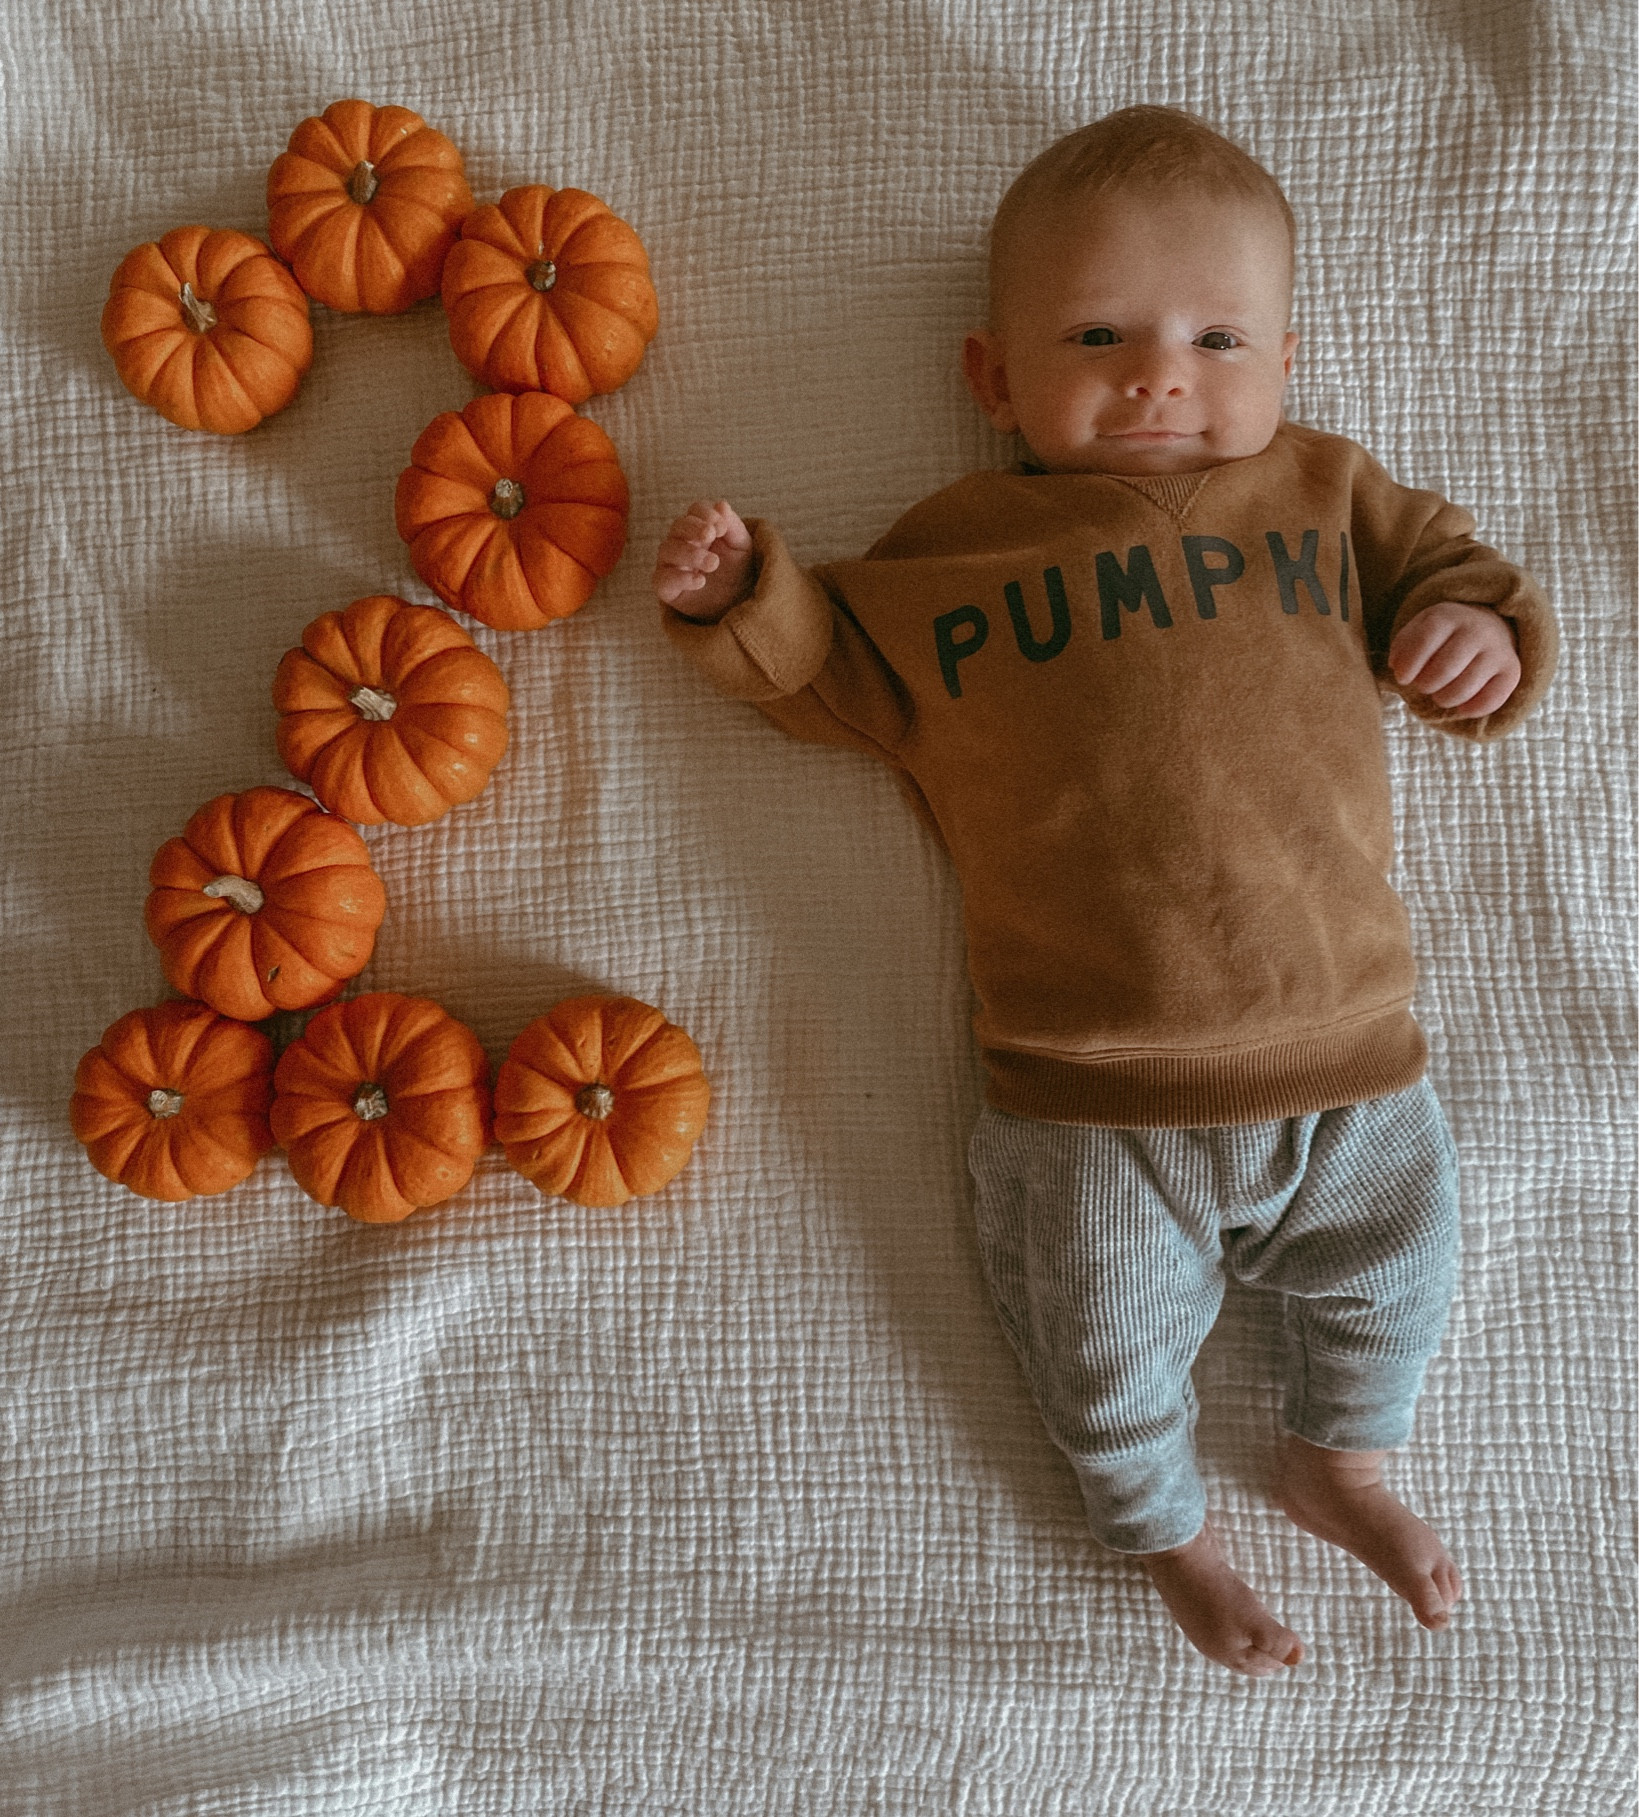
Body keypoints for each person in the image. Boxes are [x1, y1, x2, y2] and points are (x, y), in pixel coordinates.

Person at [651, 105, 1557, 1677]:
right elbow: (824, 671)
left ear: (1287, 361)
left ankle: (1342, 1458)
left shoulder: (1327, 497)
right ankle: (1166, 1532)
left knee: (1401, 1268)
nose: (1159, 376)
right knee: (1098, 1345)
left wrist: (1479, 635)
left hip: (1346, 1050)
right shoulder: (957, 553)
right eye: (1097, 336)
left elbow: (1458, 574)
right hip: (1085, 1085)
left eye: (1218, 339)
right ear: (992, 378)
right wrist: (745, 595)